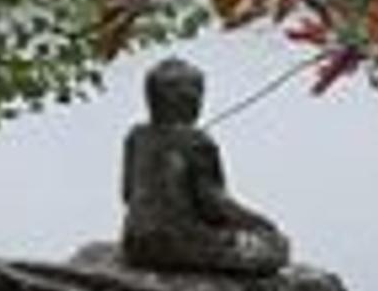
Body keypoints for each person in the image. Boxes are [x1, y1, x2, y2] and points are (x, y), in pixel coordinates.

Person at [118, 58, 291, 275]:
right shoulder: (196, 143)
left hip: (135, 242)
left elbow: (127, 194)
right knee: (275, 246)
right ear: (190, 100)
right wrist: (260, 223)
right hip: (180, 242)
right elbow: (213, 204)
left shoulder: (137, 136)